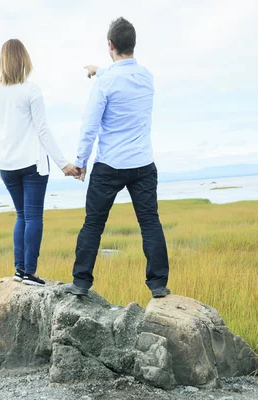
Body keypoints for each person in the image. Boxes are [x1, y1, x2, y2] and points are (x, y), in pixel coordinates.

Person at [65, 17, 171, 298]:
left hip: (109, 165)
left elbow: (90, 125)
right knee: (150, 223)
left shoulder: (106, 82)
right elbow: (121, 75)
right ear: (133, 45)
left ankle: (80, 283)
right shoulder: (147, 77)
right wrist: (98, 70)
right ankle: (158, 285)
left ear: (110, 45)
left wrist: (80, 162)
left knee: (93, 224)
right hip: (143, 165)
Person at [0, 39, 79, 287]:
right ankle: (29, 272)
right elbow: (43, 130)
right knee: (33, 216)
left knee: (21, 215)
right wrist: (64, 164)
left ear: (3, 62)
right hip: (32, 164)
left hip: (7, 165)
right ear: (24, 59)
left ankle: (20, 270)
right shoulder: (31, 90)